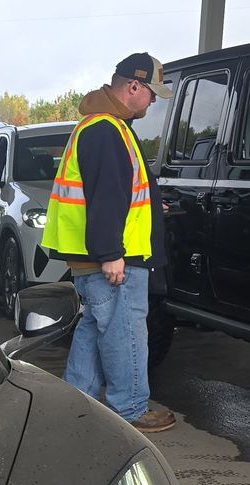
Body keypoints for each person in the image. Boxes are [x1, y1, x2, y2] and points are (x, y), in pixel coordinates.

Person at [42, 52, 176, 434]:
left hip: (97, 258)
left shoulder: (103, 126)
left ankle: (76, 400)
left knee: (97, 327)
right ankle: (131, 407)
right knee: (124, 331)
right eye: (151, 93)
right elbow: (105, 196)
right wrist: (111, 254)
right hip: (114, 260)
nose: (153, 102)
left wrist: (151, 206)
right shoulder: (105, 130)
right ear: (133, 86)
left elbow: (117, 191)